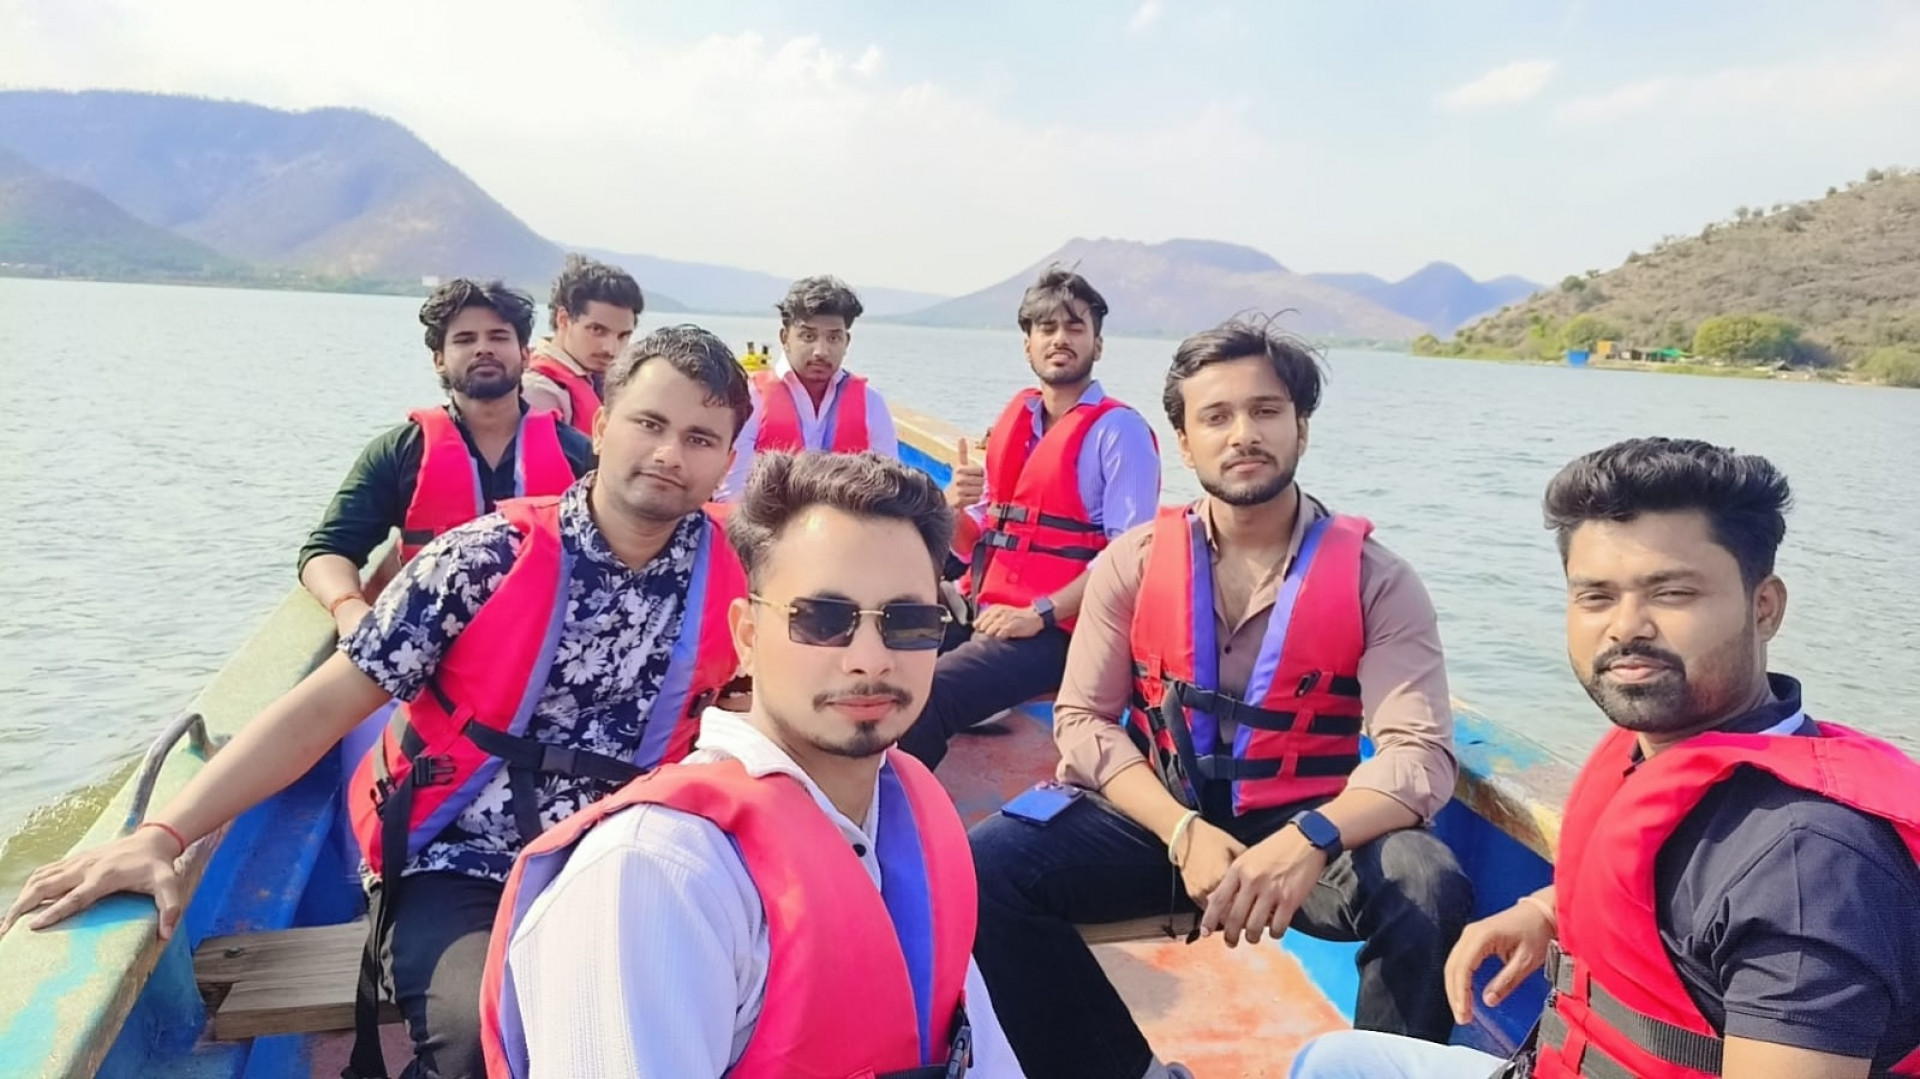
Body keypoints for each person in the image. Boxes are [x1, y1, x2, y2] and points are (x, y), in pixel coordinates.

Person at [2, 325, 757, 1079]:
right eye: (649, 424)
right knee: (480, 1043)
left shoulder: (749, 580)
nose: (669, 453)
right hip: (460, 854)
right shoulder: (482, 559)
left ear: (727, 462)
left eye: (699, 438)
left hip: (625, 854)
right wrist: (163, 835)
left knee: (719, 1022)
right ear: (600, 425)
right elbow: (321, 709)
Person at [1291, 438, 1920, 1079]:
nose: (1626, 627)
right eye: (1596, 597)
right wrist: (1544, 911)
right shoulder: (1657, 750)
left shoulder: (1806, 869)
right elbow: (1677, 897)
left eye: (1672, 593)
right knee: (1333, 1059)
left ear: (1765, 608)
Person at [968, 319, 1474, 1079]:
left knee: (1427, 884)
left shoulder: (1379, 581)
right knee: (983, 872)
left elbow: (1419, 752)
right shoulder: (1134, 563)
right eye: (1217, 416)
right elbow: (1082, 721)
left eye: (1266, 411)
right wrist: (1181, 831)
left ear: (1301, 428)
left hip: (1308, 832)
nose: (1244, 434)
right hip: (1158, 820)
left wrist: (1310, 837)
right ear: (1183, 441)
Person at [480, 451, 1024, 1077]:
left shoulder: (911, 819)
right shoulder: (657, 876)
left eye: (908, 622)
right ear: (746, 637)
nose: (869, 658)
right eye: (823, 620)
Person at [896, 267, 1161, 767]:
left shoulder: (1119, 432)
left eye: (1075, 328)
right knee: (882, 656)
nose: (1060, 339)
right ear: (1028, 345)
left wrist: (1037, 614)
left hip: (1062, 630)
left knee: (928, 698)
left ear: (1098, 345)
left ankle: (899, 811)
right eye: (1047, 328)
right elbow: (975, 540)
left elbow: (1129, 561)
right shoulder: (1017, 420)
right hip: (987, 610)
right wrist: (952, 507)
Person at [299, 280, 593, 639]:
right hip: (429, 648)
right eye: (465, 339)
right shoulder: (400, 452)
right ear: (439, 360)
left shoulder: (579, 456)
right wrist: (348, 607)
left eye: (498, 337)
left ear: (525, 354)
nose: (483, 348)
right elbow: (327, 550)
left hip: (542, 649)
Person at [714, 275, 900, 501]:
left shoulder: (872, 404)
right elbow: (731, 492)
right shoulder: (751, 398)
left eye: (834, 338)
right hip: (765, 520)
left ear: (846, 342)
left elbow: (889, 489)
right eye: (808, 336)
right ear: (785, 338)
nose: (821, 351)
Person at [522, 253, 645, 433]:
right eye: (597, 330)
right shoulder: (539, 391)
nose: (611, 349)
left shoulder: (601, 379)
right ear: (564, 320)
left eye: (623, 336)